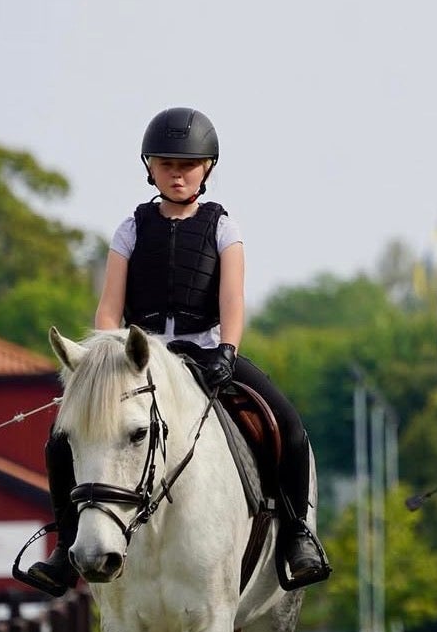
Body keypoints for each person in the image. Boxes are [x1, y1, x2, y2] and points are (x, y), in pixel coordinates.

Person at [19, 107, 328, 596]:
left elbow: (232, 298)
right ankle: (66, 546)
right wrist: (109, 357)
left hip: (206, 350)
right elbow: (108, 310)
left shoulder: (223, 227)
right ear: (150, 168)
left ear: (207, 168)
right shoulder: (131, 228)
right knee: (61, 439)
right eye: (166, 164)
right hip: (139, 358)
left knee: (286, 424)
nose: (177, 173)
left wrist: (228, 347)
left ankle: (296, 535)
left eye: (187, 164)